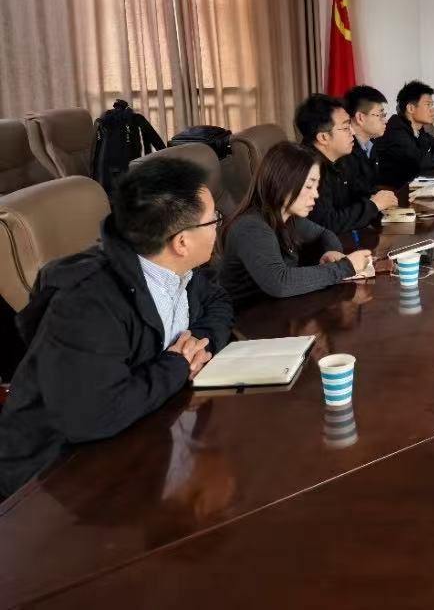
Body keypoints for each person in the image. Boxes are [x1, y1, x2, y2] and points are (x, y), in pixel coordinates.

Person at [0, 157, 234, 496]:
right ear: (182, 242)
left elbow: (218, 301)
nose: (218, 228)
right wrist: (177, 364)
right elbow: (96, 414)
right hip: (49, 484)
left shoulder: (173, 268)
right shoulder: (88, 302)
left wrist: (198, 341)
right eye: (214, 220)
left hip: (144, 437)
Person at [220, 141, 375, 306]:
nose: (315, 194)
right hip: (250, 317)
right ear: (282, 182)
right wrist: (345, 267)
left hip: (283, 310)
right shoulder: (251, 228)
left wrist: (330, 252)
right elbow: (280, 283)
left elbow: (324, 234)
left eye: (316, 186)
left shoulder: (288, 218)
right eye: (309, 186)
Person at [295, 93, 397, 235]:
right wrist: (373, 205)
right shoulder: (309, 169)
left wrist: (378, 199)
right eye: (345, 127)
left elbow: (356, 195)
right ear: (323, 137)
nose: (353, 132)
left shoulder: (340, 159)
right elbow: (327, 223)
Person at [378, 80, 434, 186]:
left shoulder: (415, 129)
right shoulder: (396, 130)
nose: (432, 110)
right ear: (411, 108)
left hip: (411, 185)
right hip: (395, 191)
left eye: (432, 105)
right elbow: (418, 161)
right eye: (428, 105)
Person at [341, 85, 391, 196]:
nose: (385, 120)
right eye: (380, 115)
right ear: (360, 118)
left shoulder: (371, 145)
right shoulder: (344, 151)